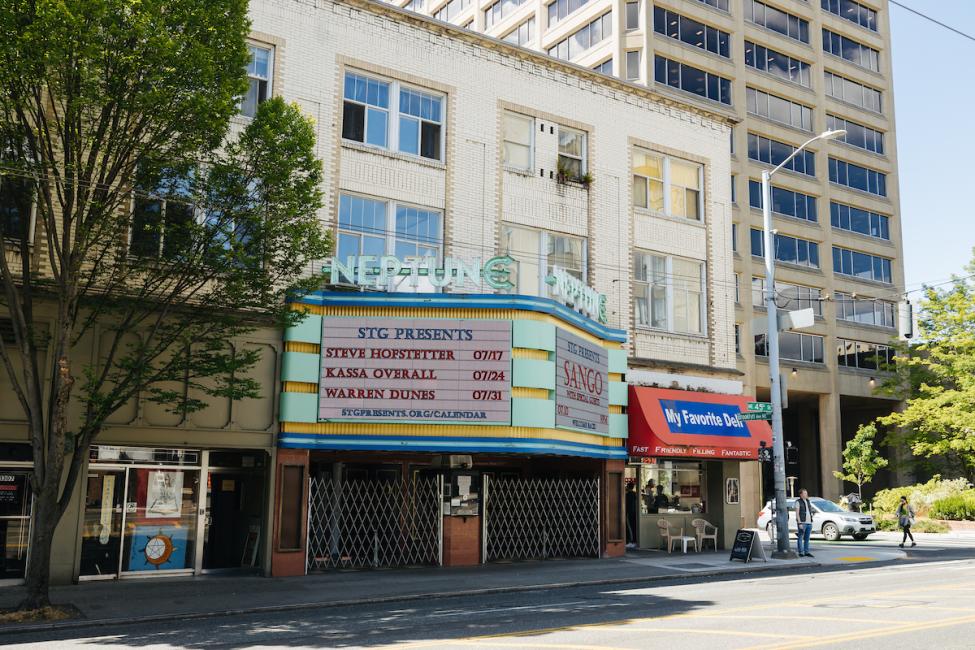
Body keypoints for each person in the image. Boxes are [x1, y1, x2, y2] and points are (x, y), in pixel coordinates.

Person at [794, 488, 814, 558]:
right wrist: (799, 523)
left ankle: (806, 552)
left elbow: (809, 511)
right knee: (800, 537)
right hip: (802, 522)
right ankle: (801, 552)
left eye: (806, 493)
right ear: (801, 494)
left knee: (807, 538)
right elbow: (797, 513)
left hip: (809, 523)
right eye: (805, 493)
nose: (806, 494)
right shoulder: (798, 502)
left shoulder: (808, 501)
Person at [625, 483, 638, 548]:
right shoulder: (635, 494)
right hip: (634, 512)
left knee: (630, 527)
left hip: (629, 512)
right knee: (634, 526)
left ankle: (632, 541)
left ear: (628, 487)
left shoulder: (627, 495)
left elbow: (626, 504)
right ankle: (634, 541)